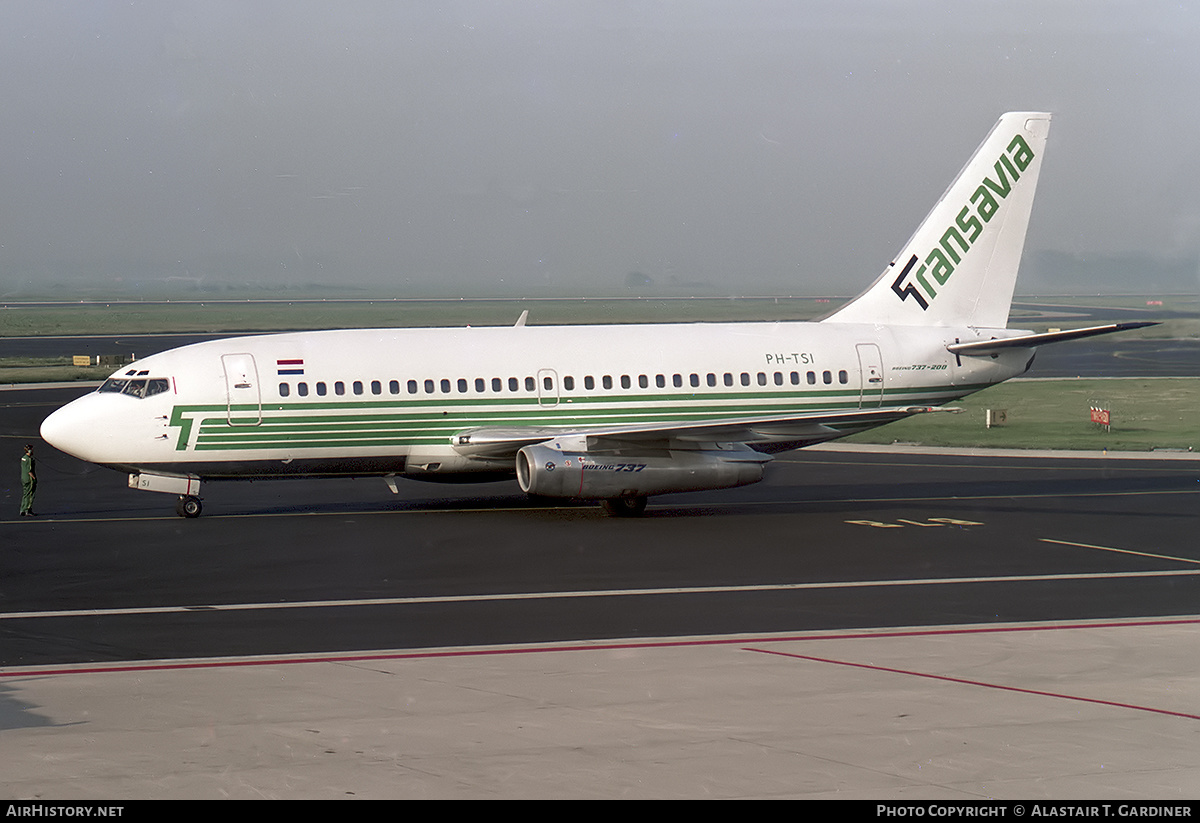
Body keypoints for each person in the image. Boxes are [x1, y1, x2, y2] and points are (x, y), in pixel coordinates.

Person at [19, 444, 36, 517]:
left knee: (25, 494)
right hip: (29, 479)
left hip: (24, 478)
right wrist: (34, 478)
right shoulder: (29, 459)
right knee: (30, 494)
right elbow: (29, 470)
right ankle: (27, 509)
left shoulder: (23, 458)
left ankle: (22, 509)